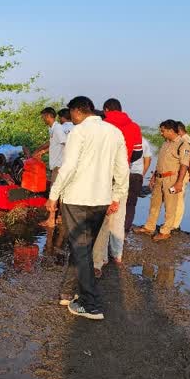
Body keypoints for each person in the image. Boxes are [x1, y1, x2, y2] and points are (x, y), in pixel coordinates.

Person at [47, 96, 129, 320]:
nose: (71, 118)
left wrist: (53, 195)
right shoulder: (114, 132)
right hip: (101, 200)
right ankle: (67, 292)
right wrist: (117, 196)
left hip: (77, 198)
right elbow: (122, 169)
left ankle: (91, 304)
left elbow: (69, 166)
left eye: (71, 114)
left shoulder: (79, 132)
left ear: (77, 111)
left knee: (81, 249)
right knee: (81, 248)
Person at [93, 99, 142, 274]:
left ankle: (101, 257)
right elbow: (138, 153)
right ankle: (117, 255)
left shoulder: (102, 124)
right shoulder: (134, 126)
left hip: (102, 175)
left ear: (106, 109)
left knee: (102, 216)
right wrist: (125, 161)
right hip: (123, 173)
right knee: (119, 216)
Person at [134, 120, 190, 241]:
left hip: (172, 178)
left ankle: (165, 231)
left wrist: (179, 182)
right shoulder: (166, 143)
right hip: (159, 178)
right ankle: (149, 227)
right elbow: (161, 162)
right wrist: (154, 176)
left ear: (170, 131)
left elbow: (185, 165)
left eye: (163, 131)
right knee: (154, 204)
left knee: (170, 206)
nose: (161, 133)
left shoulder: (183, 144)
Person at [34, 107, 70, 227]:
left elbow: (66, 143)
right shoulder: (53, 128)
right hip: (57, 164)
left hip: (59, 165)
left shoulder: (58, 128)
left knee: (54, 192)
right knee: (59, 192)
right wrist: (42, 152)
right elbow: (54, 144)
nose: (42, 119)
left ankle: (51, 219)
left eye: (43, 117)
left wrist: (65, 162)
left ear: (49, 116)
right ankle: (59, 217)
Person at [125, 135, 152, 232]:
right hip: (136, 175)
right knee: (131, 204)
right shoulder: (143, 141)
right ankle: (125, 229)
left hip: (123, 175)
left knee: (117, 202)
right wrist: (142, 174)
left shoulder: (122, 137)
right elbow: (148, 160)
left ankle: (114, 229)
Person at [173, 121, 190, 230]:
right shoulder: (182, 140)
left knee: (178, 199)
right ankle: (171, 222)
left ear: (178, 131)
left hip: (182, 175)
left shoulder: (187, 141)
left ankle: (175, 225)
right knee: (173, 197)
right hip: (176, 174)